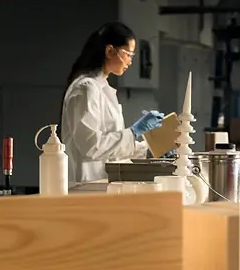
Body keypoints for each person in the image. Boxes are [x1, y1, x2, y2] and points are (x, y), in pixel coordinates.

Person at [60, 22, 166, 184]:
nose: (130, 62)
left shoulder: (102, 87)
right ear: (110, 51)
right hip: (85, 186)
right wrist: (134, 132)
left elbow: (110, 147)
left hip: (101, 183)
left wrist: (147, 151)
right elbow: (91, 146)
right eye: (128, 55)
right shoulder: (86, 88)